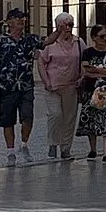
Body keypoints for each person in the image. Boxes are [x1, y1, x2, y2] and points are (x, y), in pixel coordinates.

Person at [0, 8, 60, 165]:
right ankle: (10, 151)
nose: (21, 21)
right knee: (7, 121)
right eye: (17, 18)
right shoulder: (0, 40)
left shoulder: (30, 39)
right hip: (6, 86)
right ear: (9, 22)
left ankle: (24, 144)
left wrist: (59, 30)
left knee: (28, 117)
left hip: (25, 86)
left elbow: (47, 41)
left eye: (22, 19)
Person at [37, 12, 85, 160]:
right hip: (53, 86)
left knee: (69, 118)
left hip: (71, 86)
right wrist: (46, 81)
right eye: (64, 25)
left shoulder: (78, 42)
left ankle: (65, 148)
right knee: (55, 115)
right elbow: (41, 62)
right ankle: (53, 143)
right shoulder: (50, 43)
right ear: (57, 26)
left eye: (71, 25)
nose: (68, 28)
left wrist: (82, 77)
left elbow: (85, 60)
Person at [76, 24, 106, 165]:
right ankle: (93, 149)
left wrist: (96, 70)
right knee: (91, 119)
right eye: (102, 36)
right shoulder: (88, 52)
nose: (105, 39)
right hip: (90, 90)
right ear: (94, 37)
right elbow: (86, 71)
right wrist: (104, 73)